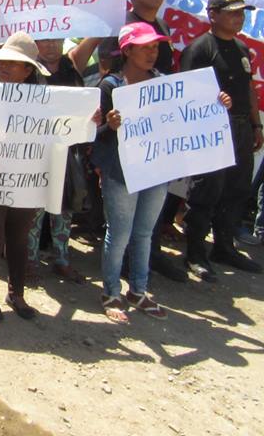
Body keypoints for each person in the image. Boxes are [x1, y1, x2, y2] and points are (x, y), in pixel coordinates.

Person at [92, 23, 219, 323]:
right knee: (119, 234)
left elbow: (186, 116)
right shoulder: (110, 87)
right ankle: (110, 291)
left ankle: (138, 290)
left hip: (156, 171)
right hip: (121, 174)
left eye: (155, 46)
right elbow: (91, 134)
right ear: (127, 50)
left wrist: (217, 103)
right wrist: (108, 127)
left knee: (145, 233)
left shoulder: (164, 84)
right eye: (146, 47)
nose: (153, 52)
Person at [181, 0, 263, 280]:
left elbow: (250, 90)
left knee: (237, 190)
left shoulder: (241, 48)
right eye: (231, 12)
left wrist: (256, 125)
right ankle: (195, 253)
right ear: (213, 15)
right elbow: (187, 95)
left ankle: (224, 247)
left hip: (240, 127)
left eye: (241, 12)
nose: (238, 17)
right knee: (206, 191)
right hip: (211, 130)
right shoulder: (200, 48)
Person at [0, 32, 51, 322]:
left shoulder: (46, 101)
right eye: (2, 61)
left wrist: (88, 119)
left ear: (28, 70)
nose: (4, 66)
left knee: (18, 238)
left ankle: (16, 293)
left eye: (13, 63)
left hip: (25, 177)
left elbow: (67, 128)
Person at [123, 0, 187, 282]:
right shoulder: (123, 26)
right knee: (128, 202)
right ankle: (124, 261)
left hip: (157, 128)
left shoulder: (160, 25)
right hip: (131, 128)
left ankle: (151, 254)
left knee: (153, 198)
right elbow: (113, 76)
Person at [26, 37, 100, 284]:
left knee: (65, 207)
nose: (51, 46)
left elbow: (94, 37)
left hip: (68, 150)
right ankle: (30, 260)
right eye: (44, 41)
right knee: (35, 209)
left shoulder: (72, 65)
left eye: (56, 40)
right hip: (36, 151)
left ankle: (62, 260)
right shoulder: (28, 70)